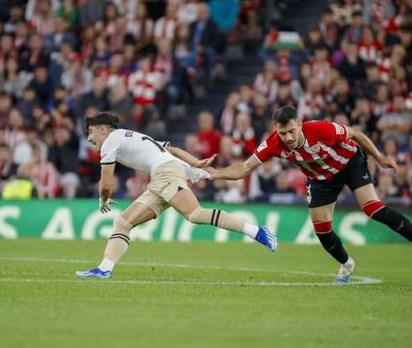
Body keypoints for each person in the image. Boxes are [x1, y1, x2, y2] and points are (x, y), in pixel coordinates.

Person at [210, 106, 412, 284]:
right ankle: (347, 264)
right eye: (282, 133)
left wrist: (379, 157)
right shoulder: (272, 143)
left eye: (291, 131)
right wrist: (217, 173)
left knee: (372, 209)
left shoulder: (319, 129)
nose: (288, 138)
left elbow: (356, 134)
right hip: (321, 178)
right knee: (322, 231)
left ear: (299, 124)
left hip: (349, 163)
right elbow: (245, 167)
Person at [75, 112, 277, 279]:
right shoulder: (130, 135)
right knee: (123, 222)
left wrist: (103, 199)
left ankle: (256, 231)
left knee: (195, 214)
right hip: (162, 176)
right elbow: (173, 148)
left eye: (91, 132)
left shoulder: (111, 139)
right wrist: (196, 163)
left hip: (165, 174)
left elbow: (106, 182)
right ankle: (104, 268)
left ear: (103, 129)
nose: (89, 138)